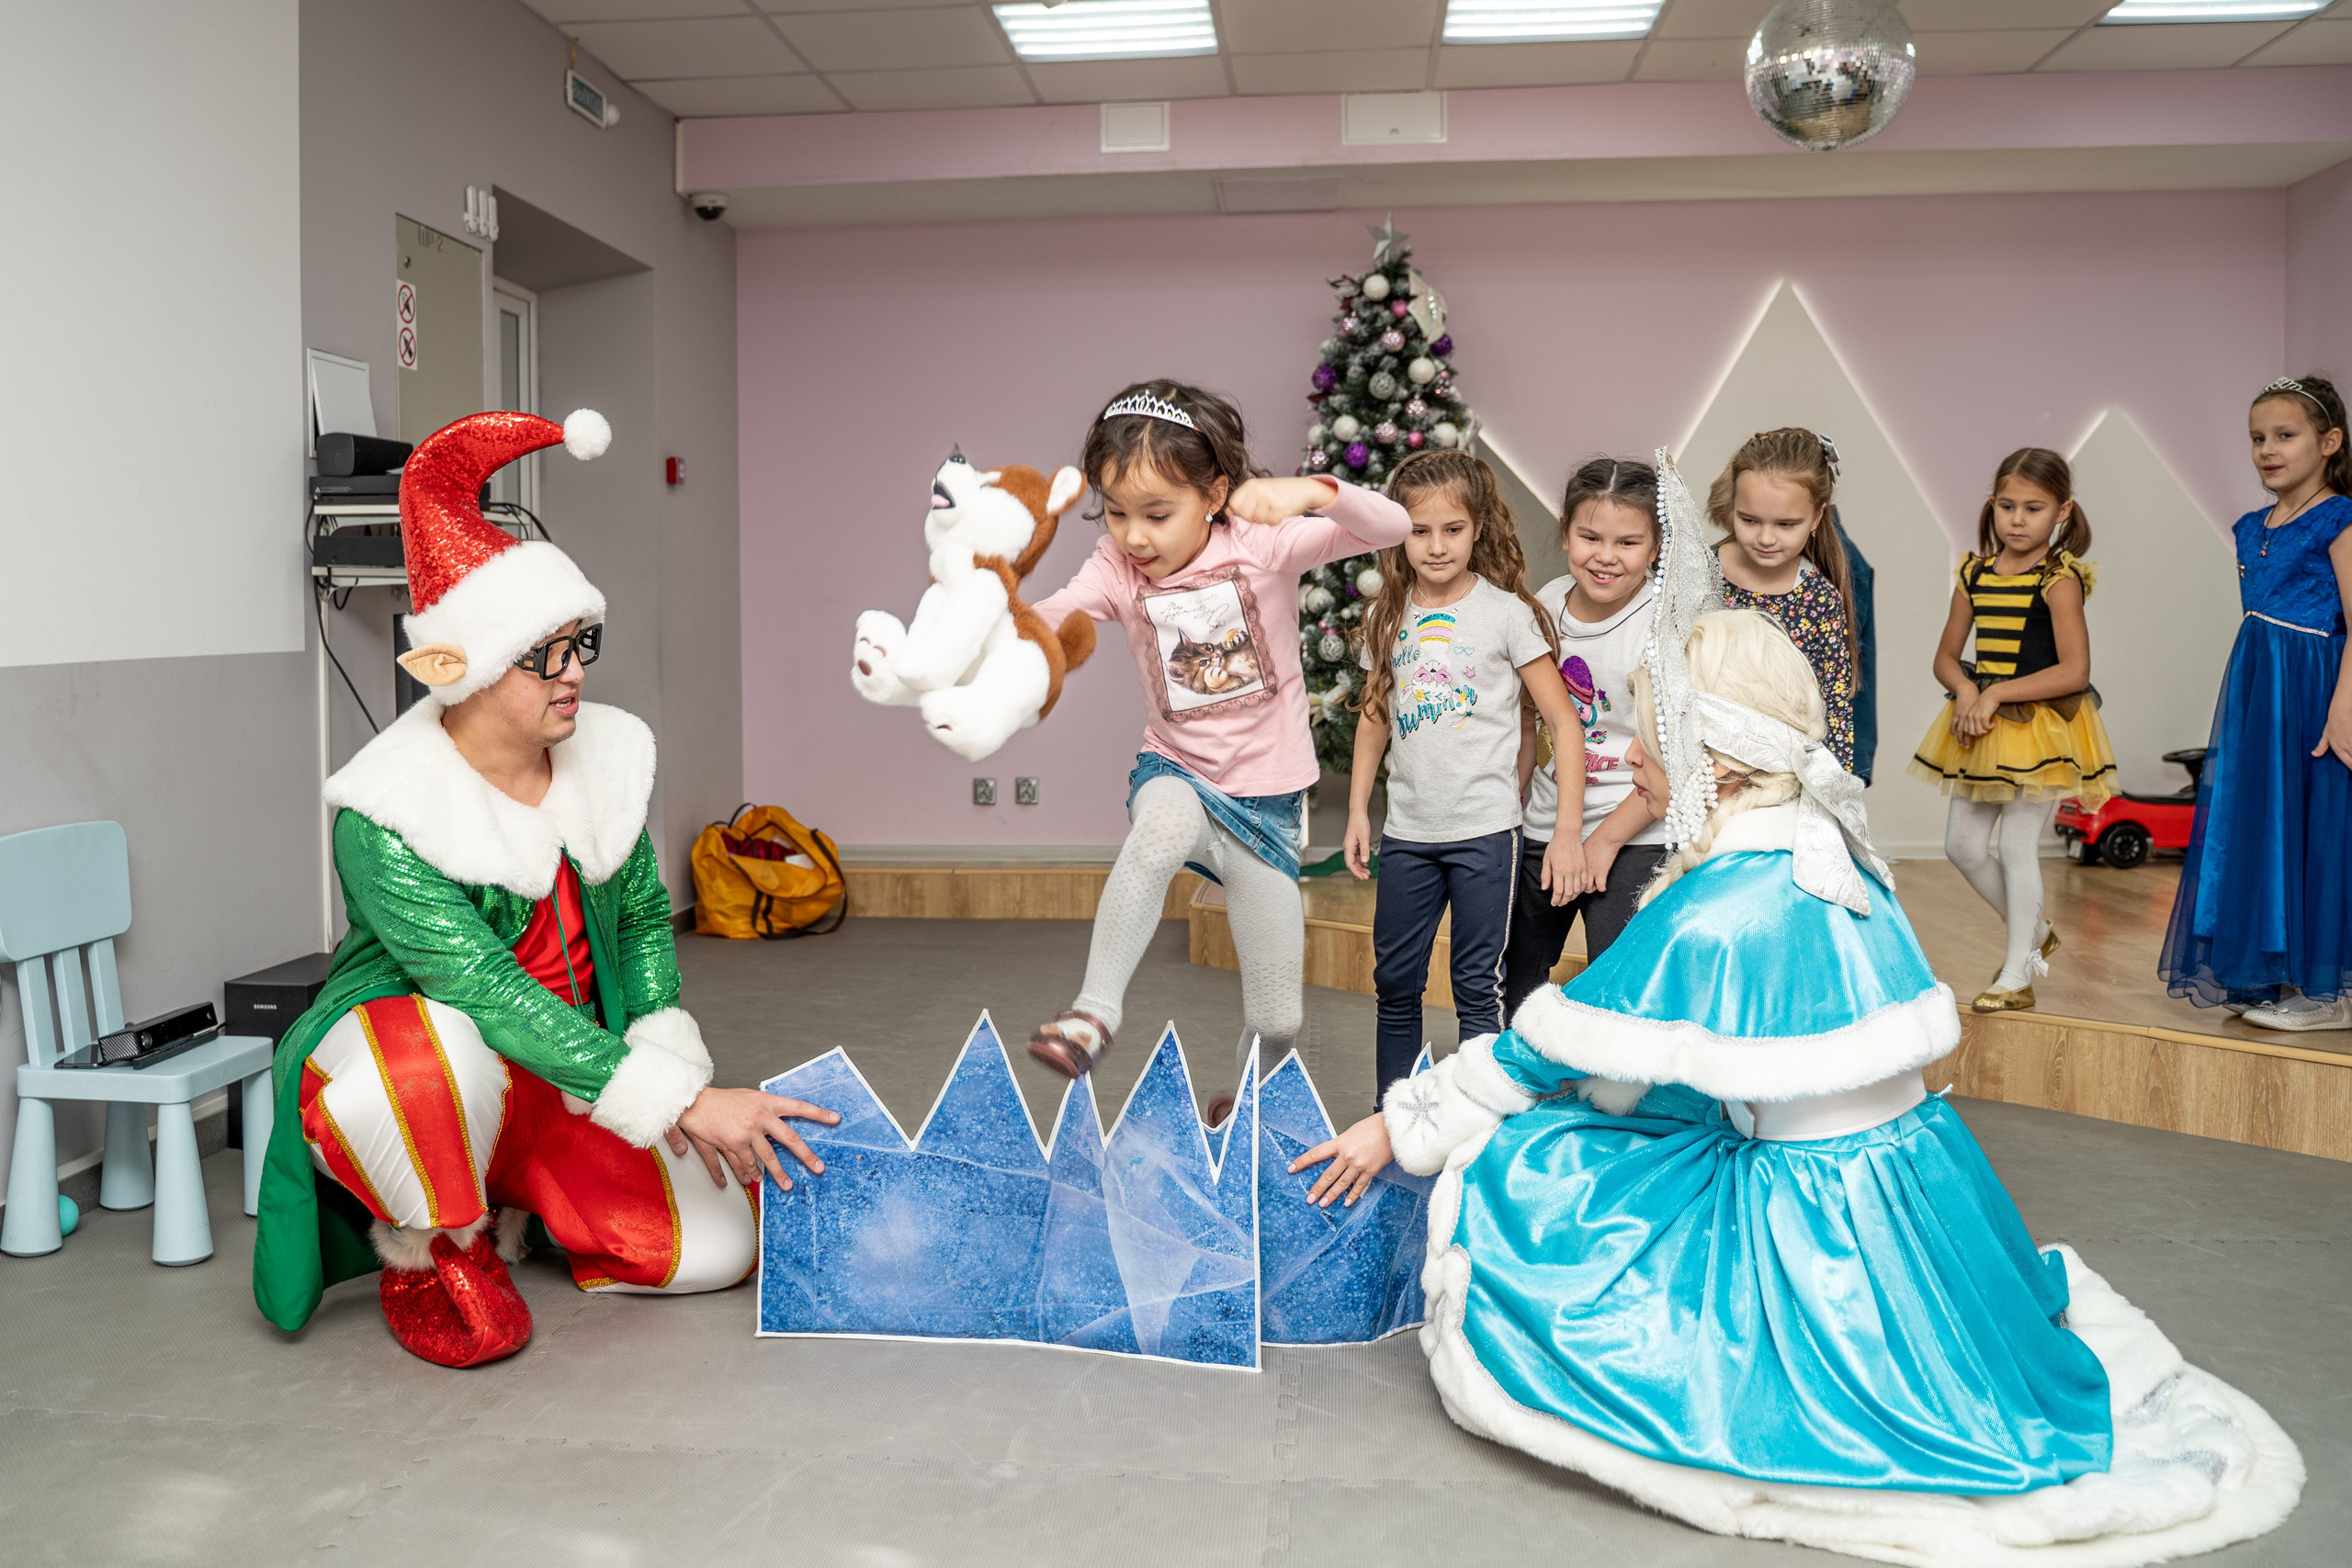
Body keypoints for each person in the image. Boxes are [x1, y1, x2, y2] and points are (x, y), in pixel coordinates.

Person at [1291, 457, 2302, 1562]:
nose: (1651, 760)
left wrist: (1400, 1124)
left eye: (1663, 740)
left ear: (1712, 762)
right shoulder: (1836, 851)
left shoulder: (1716, 907)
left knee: (1537, 1165)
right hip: (1926, 1193)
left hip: (1816, 1226)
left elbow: (1539, 1051)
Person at [253, 410, 836, 1367]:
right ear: (462, 671)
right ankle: (433, 1244)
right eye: (543, 655)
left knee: (712, 1249)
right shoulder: (388, 813)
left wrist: (660, 1052)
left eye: (579, 645)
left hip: (565, 1071)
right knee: (427, 1058)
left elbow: (644, 917)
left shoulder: (603, 760)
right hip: (426, 1064)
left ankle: (532, 1194)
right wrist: (686, 1104)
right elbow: (483, 988)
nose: (573, 677)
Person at [1023, 382, 1411, 1119]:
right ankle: (1091, 1013)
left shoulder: (1264, 542)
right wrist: (1005, 632)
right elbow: (1059, 612)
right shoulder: (1117, 565)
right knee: (1161, 828)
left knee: (1278, 1019)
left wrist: (1317, 491)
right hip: (1177, 774)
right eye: (1116, 512)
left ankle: (1248, 1106)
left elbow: (1391, 527)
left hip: (1266, 808)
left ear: (1216, 494)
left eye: (1157, 514)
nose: (1134, 536)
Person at [1340, 450, 1588, 1109]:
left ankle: (1480, 1122)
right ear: (1399, 534)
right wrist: (1359, 810)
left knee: (1478, 985)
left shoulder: (1508, 614)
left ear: (1478, 527)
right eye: (1420, 530)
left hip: (1485, 835)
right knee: (1395, 983)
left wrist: (1564, 824)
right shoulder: (1385, 616)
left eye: (1452, 528)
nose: (1436, 545)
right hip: (1409, 835)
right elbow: (1374, 717)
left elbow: (1564, 723)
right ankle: (1392, 1115)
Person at [2161, 374, 2352, 1031]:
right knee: (2266, 822)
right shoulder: (2250, 527)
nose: (2267, 449)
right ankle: (2272, 970)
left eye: (2285, 435)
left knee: (2321, 821)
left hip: (2318, 688)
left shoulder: (2341, 517)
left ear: (2329, 442)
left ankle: (2333, 991)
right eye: (2257, 438)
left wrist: (2342, 706)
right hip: (2259, 691)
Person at [1910, 448, 2117, 1013]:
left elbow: (2075, 670)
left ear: (2062, 512)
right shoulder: (1973, 573)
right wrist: (1971, 690)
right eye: (2007, 506)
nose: (2017, 519)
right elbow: (1947, 658)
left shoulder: (2059, 579)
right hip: (1982, 726)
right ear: (1992, 507)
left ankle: (2016, 973)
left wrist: (1996, 691)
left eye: (2033, 507)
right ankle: (2031, 928)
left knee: (2017, 846)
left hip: (2043, 727)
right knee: (1962, 845)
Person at [1499, 457, 1668, 1023]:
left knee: (1617, 988)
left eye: (1628, 542)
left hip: (1637, 825)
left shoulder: (1665, 623)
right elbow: (1530, 723)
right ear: (1566, 531)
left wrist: (1603, 842)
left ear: (1654, 547)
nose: (1605, 556)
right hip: (1548, 823)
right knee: (1517, 977)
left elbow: (1676, 762)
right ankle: (1524, 1090)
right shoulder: (1544, 606)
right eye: (1589, 536)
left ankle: (1614, 1105)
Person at [1710, 428, 1859, 770]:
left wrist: (1834, 792)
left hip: (1781, 771)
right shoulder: (1699, 573)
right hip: (1701, 763)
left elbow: (1834, 708)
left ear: (1817, 518)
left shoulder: (1821, 600)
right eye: (1749, 520)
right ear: (1733, 505)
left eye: (1786, 524)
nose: (1765, 538)